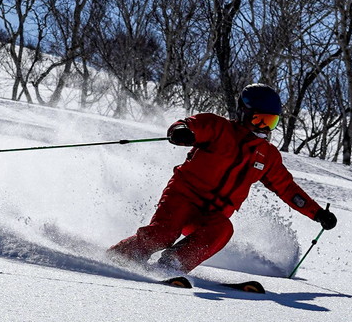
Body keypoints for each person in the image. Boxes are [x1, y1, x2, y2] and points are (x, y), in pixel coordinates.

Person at [109, 83, 337, 275]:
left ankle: (173, 265)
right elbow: (187, 125)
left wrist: (317, 213)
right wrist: (181, 132)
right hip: (183, 197)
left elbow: (287, 189)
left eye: (271, 123)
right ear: (243, 114)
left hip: (212, 215)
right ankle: (120, 257)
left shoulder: (266, 155)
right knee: (163, 234)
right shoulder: (218, 128)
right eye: (259, 120)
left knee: (223, 230)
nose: (264, 129)